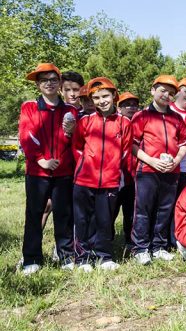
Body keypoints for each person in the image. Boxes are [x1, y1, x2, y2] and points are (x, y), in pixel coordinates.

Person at [18, 63, 78, 274]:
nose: (50, 84)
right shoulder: (30, 107)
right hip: (37, 172)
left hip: (64, 172)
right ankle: (31, 259)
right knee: (35, 214)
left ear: (59, 83)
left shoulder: (70, 110)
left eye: (54, 79)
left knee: (64, 215)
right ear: (38, 85)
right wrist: (40, 159)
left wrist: (70, 135)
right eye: (45, 80)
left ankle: (66, 256)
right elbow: (27, 135)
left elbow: (74, 141)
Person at [71, 77, 132, 271]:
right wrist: (86, 164)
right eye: (96, 98)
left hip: (110, 181)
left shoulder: (124, 123)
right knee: (83, 220)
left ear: (114, 96)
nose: (101, 101)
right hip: (84, 180)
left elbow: (125, 151)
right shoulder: (85, 121)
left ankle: (104, 256)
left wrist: (113, 170)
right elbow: (77, 147)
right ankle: (83, 257)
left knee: (104, 220)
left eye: (105, 96)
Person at [131, 75, 186, 265]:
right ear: (153, 90)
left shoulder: (177, 118)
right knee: (143, 210)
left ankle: (159, 247)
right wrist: (151, 161)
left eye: (171, 93)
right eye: (163, 90)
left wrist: (177, 161)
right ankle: (140, 248)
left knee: (165, 210)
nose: (166, 95)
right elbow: (132, 145)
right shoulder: (142, 116)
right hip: (147, 171)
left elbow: (184, 144)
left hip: (171, 172)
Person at [115, 92, 140, 250]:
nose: (131, 107)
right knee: (110, 211)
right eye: (126, 104)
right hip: (116, 176)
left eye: (134, 104)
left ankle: (130, 242)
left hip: (135, 177)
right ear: (119, 107)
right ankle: (107, 240)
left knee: (131, 212)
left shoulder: (140, 122)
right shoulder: (115, 122)